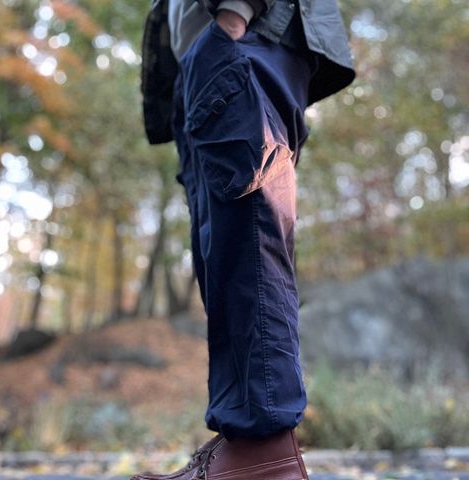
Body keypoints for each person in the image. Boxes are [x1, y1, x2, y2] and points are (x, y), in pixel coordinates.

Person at [132, 0, 355, 478]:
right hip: (203, 56)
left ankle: (263, 453)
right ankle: (243, 443)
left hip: (240, 35)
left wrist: (234, 13)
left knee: (249, 237)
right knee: (225, 259)